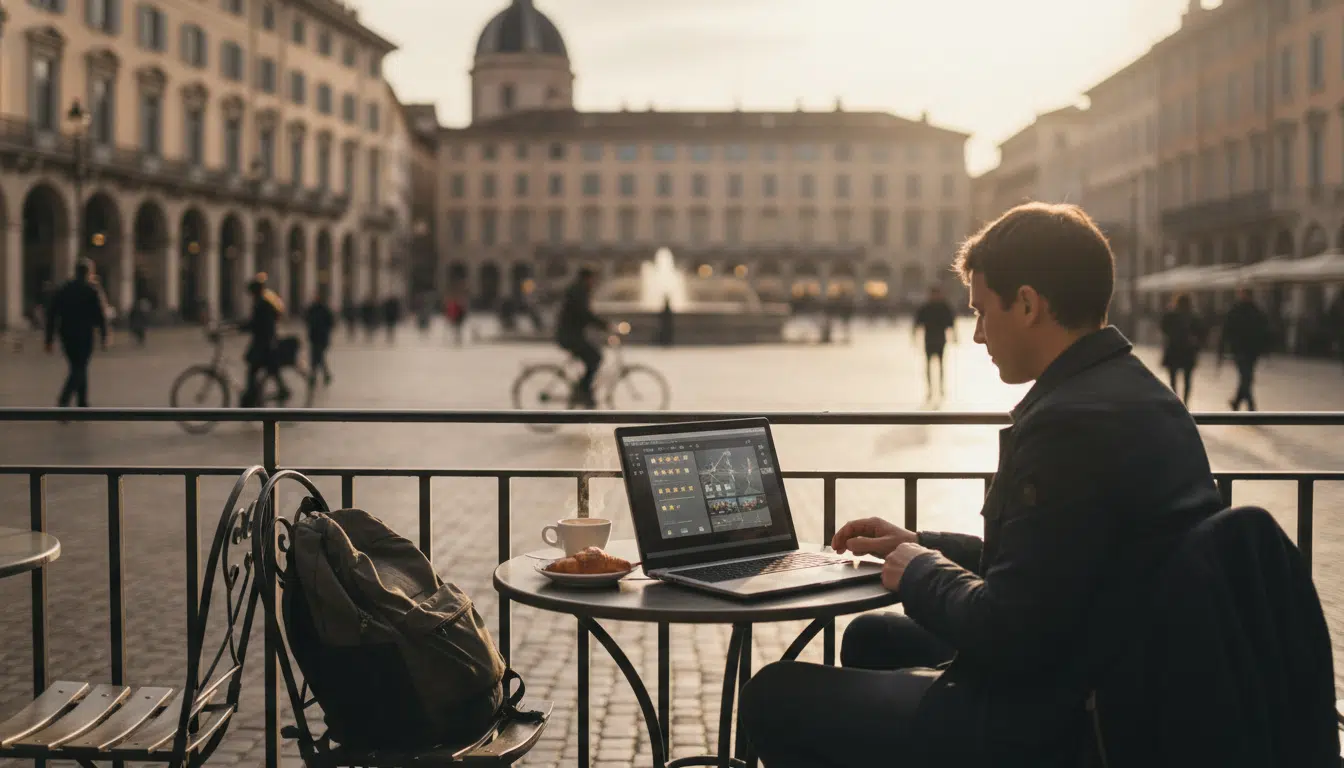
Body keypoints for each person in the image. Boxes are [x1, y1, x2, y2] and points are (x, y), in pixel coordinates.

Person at [739, 202, 1224, 767]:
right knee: (871, 635)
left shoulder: (1068, 425)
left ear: (1028, 305)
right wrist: (919, 543)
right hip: (1108, 669)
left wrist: (920, 570)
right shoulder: (1137, 393)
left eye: (982, 311)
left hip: (1058, 719)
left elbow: (1008, 631)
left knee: (775, 694)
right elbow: (1049, 564)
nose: (975, 334)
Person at [45, 259, 108, 408]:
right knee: (79, 367)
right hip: (85, 334)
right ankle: (64, 399)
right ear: (89, 272)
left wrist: (49, 339)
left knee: (78, 366)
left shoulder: (64, 289)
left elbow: (52, 314)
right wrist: (104, 336)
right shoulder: (92, 290)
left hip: (66, 334)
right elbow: (100, 315)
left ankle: (82, 402)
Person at [555, 267, 610, 408]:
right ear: (587, 278)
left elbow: (584, 315)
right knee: (595, 357)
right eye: (593, 278)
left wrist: (601, 325)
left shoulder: (578, 290)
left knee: (593, 357)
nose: (594, 282)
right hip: (569, 336)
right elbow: (584, 314)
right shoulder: (578, 292)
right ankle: (583, 392)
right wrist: (604, 325)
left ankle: (583, 391)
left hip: (571, 334)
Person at [238, 276, 292, 407]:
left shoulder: (263, 304)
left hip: (265, 345)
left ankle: (251, 398)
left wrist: (240, 327)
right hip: (264, 344)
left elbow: (257, 324)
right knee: (266, 370)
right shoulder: (262, 302)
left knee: (254, 370)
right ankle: (253, 397)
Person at [1218, 287, 1270, 412]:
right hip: (1240, 350)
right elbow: (1227, 330)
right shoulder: (1238, 310)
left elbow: (1264, 330)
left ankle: (1236, 402)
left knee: (1246, 377)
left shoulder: (1253, 311)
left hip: (1251, 350)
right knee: (1246, 377)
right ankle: (1251, 407)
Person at [913, 286, 958, 400]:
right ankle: (930, 389)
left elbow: (951, 323)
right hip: (929, 340)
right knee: (928, 365)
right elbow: (917, 323)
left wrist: (954, 336)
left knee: (941, 365)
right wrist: (914, 337)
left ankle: (941, 388)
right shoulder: (926, 307)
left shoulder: (943, 307)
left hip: (940, 340)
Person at [1159, 293, 1203, 404]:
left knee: (1173, 379)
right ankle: (1185, 402)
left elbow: (1163, 328)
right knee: (1187, 379)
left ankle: (1175, 401)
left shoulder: (1170, 315)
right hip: (1188, 351)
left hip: (1173, 350)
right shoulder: (1193, 316)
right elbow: (1200, 333)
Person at [304, 292, 335, 390]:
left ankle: (314, 376)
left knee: (316, 356)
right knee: (318, 357)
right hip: (315, 337)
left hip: (321, 337)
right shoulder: (313, 309)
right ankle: (325, 375)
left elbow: (331, 323)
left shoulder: (324, 310)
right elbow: (306, 319)